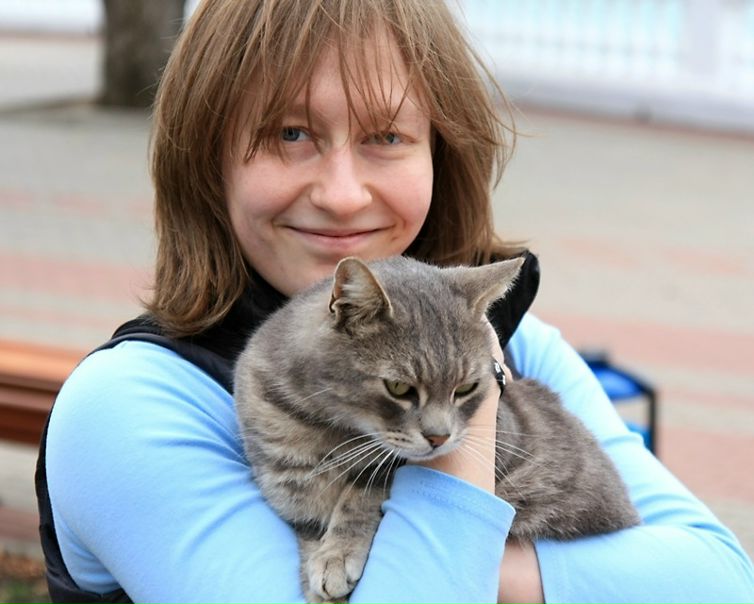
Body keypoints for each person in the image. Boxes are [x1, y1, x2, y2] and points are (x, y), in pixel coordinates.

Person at [36, 1, 754, 603]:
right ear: (206, 158)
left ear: (439, 152)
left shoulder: (514, 341)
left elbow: (718, 578)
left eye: (386, 136)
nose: (343, 194)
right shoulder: (127, 404)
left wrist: (481, 569)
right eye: (291, 133)